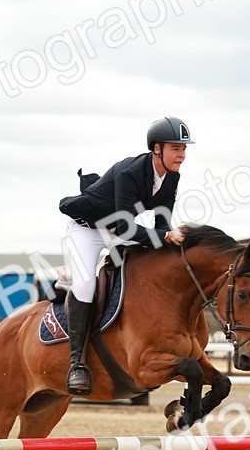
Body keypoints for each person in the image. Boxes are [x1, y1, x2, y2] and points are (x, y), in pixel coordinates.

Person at [57, 116, 193, 395]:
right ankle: (77, 363)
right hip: (88, 231)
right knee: (86, 285)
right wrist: (165, 237)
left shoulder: (172, 177)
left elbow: (162, 222)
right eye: (175, 148)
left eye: (183, 149)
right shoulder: (131, 172)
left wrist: (171, 244)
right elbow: (125, 226)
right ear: (157, 149)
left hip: (120, 230)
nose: (181, 154)